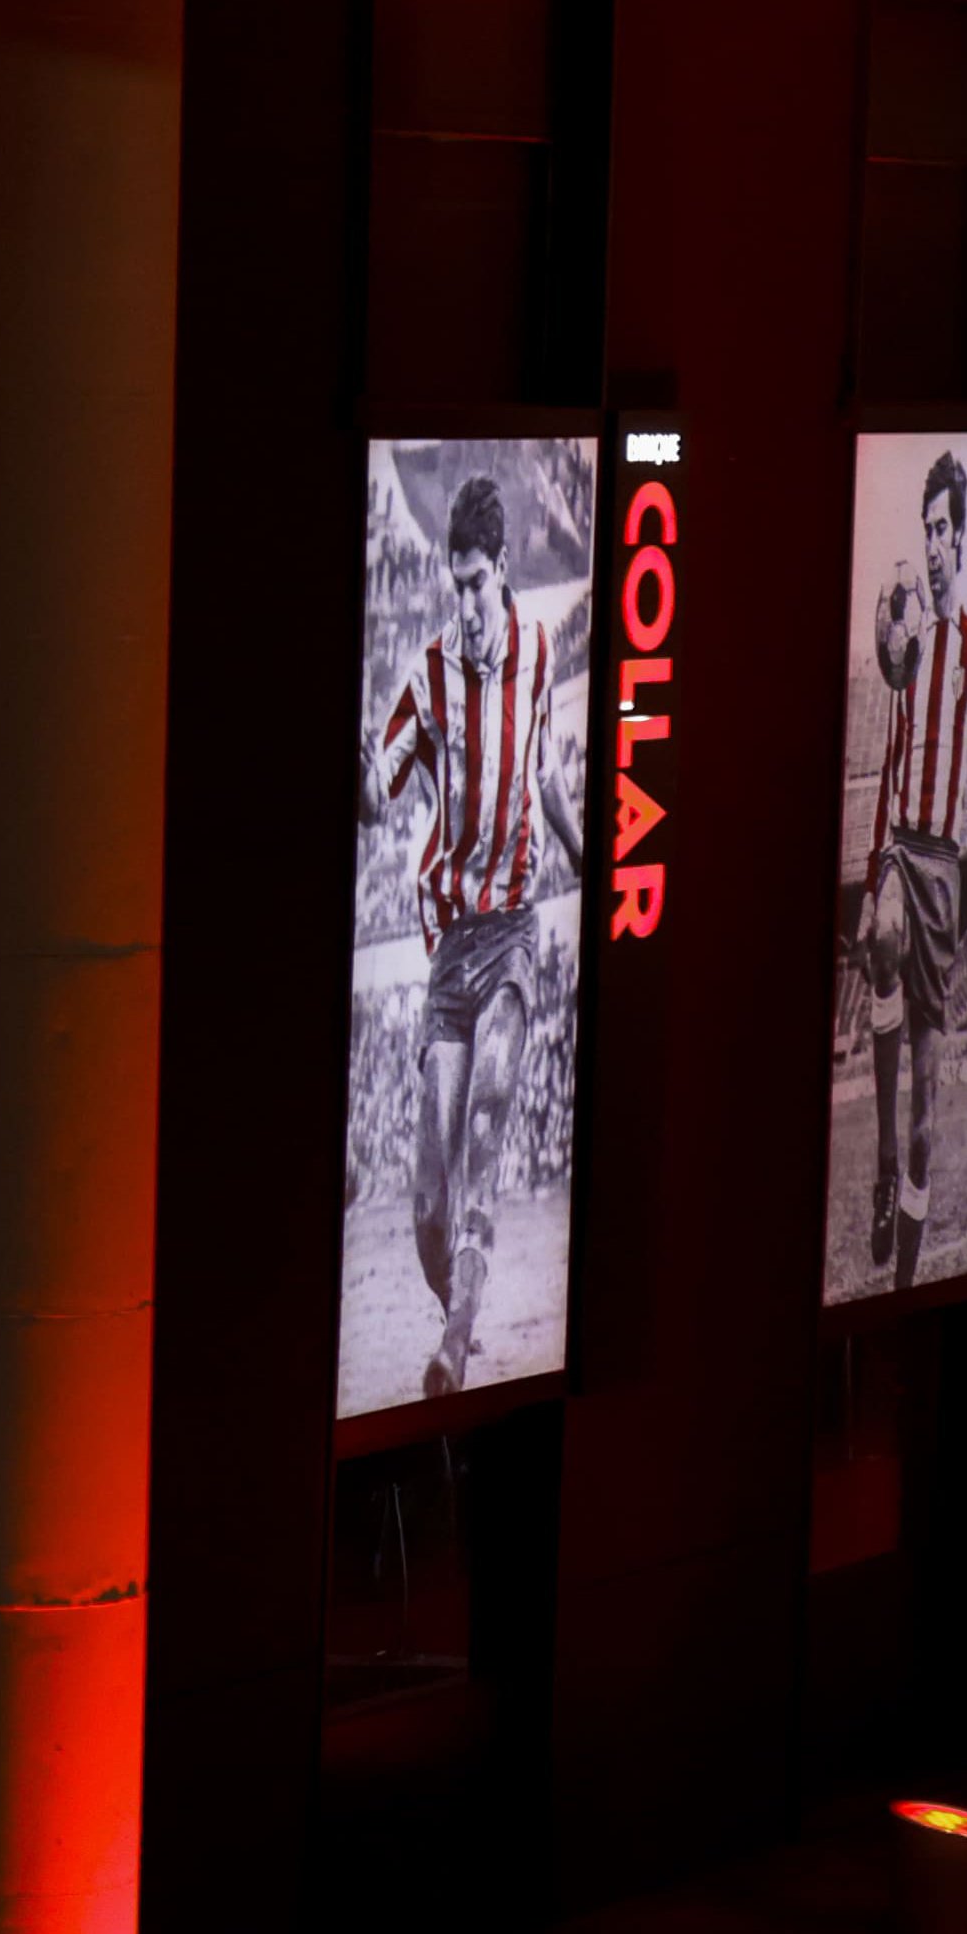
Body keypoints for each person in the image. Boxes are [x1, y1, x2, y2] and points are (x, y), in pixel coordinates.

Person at [368, 470, 571, 1383]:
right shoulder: (429, 674)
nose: (466, 605)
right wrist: (362, 786)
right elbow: (380, 793)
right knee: (425, 1209)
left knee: (491, 1110)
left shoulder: (537, 652)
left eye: (476, 584)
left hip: (513, 934)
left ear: (502, 570)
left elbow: (545, 774)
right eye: (454, 588)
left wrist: (588, 855)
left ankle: (453, 1348)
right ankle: (459, 1307)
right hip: (450, 953)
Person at [848, 448, 967, 1283]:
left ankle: (905, 1277)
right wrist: (876, 866)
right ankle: (879, 1169)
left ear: (963, 538)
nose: (935, 543)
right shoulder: (904, 651)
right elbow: (886, 761)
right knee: (876, 938)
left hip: (947, 868)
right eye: (927, 529)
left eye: (945, 529)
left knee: (929, 1118)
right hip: (902, 851)